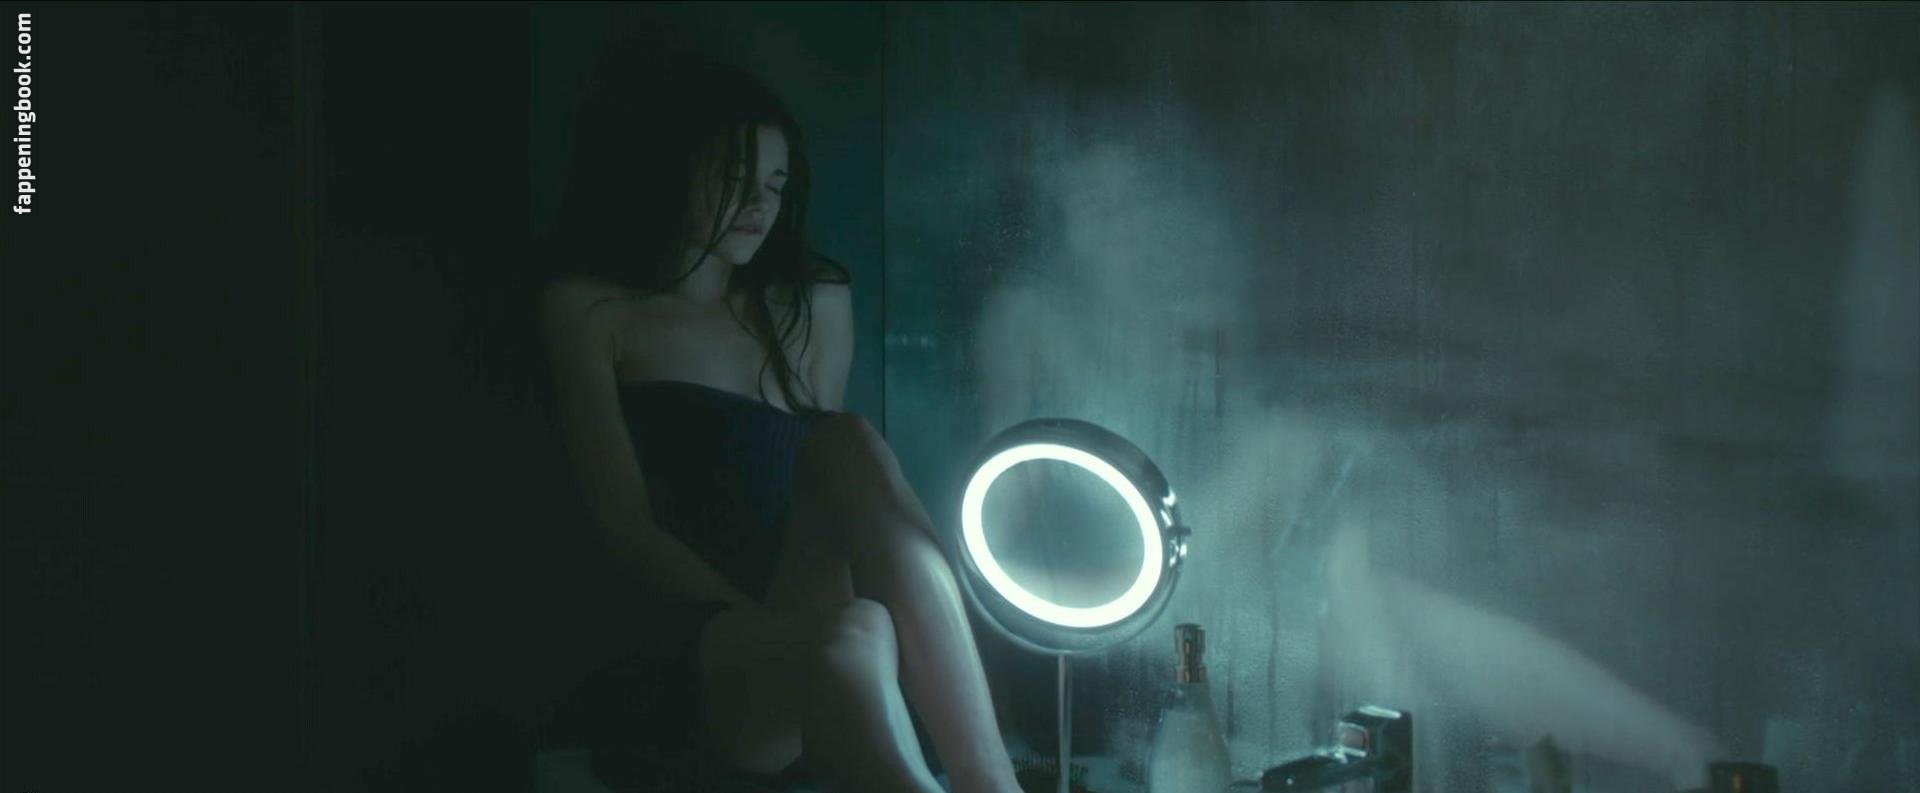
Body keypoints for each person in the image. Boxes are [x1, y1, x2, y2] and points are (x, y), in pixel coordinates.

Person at [537, 51, 1023, 793]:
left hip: (807, 611)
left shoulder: (811, 306)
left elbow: (834, 503)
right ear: (675, 170)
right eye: (736, 178)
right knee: (851, 634)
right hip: (697, 638)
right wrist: (757, 623)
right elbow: (625, 526)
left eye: (774, 184)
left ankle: (991, 782)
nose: (758, 204)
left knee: (846, 464)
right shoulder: (591, 312)